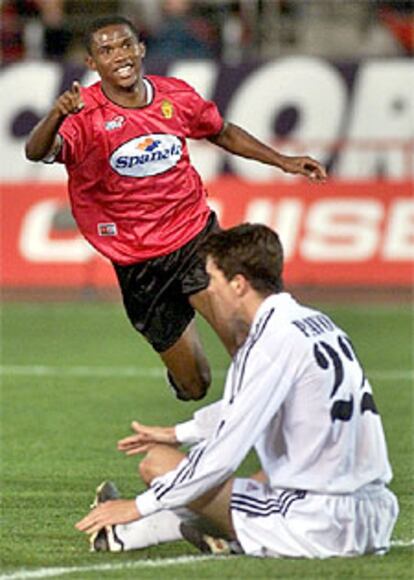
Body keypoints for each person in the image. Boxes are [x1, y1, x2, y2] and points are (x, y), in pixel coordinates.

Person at [25, 15, 327, 402]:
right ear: (91, 63)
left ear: (140, 49)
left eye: (125, 45)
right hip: (139, 264)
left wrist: (281, 160)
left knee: (243, 341)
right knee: (195, 384)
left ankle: (275, 434)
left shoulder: (176, 95)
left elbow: (221, 131)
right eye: (107, 50)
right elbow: (37, 152)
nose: (119, 55)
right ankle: (188, 384)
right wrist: (56, 114)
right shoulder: (84, 117)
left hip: (195, 238)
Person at [75, 223, 399, 559]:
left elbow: (223, 453)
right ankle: (146, 533)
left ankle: (135, 529)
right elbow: (247, 402)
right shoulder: (315, 324)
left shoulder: (267, 343)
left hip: (320, 523)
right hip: (372, 513)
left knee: (160, 467)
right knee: (265, 471)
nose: (209, 291)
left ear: (239, 285)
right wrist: (179, 432)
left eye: (212, 280)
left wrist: (138, 506)